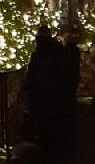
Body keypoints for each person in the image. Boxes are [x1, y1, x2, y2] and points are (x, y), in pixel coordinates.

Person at [23, 25, 65, 153]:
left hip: (40, 91)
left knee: (42, 117)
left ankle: (45, 142)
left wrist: (27, 87)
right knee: (52, 117)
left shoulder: (37, 53)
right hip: (54, 90)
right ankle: (53, 141)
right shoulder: (58, 50)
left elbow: (32, 74)